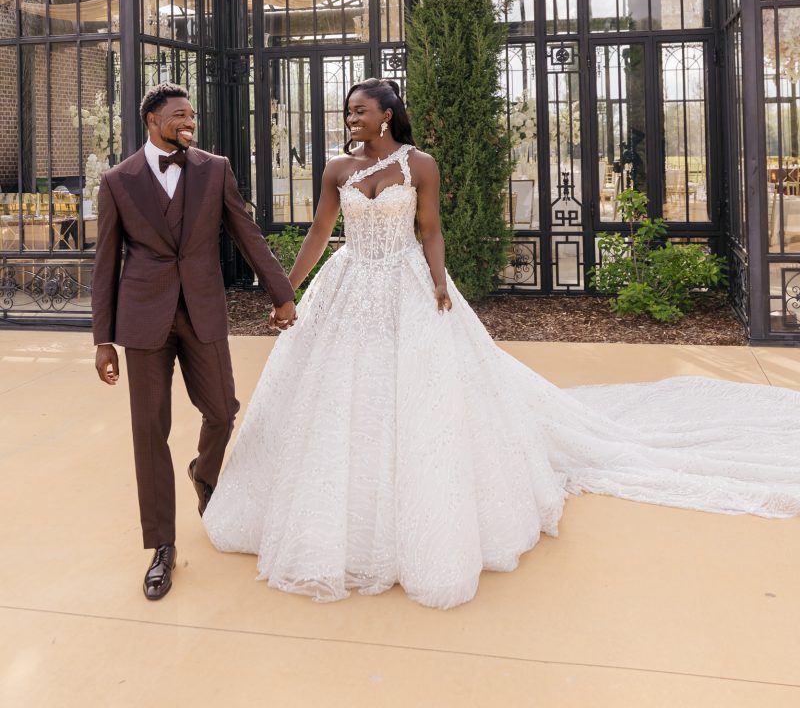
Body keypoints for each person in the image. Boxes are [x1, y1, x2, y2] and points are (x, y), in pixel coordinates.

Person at [203, 78, 800, 610]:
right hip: (350, 284)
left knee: (422, 395)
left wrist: (439, 284)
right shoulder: (337, 169)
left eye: (359, 110)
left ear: (386, 114)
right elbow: (321, 231)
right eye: (347, 112)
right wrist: (288, 290)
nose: (350, 118)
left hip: (409, 284)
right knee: (337, 394)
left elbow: (430, 230)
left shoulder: (421, 165)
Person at [92, 82, 296, 601]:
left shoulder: (214, 169)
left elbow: (246, 232)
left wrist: (282, 293)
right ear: (152, 120)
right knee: (149, 430)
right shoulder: (118, 181)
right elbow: (105, 264)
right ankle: (161, 547)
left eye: (192, 116)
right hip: (142, 320)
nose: (190, 123)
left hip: (202, 311)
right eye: (179, 116)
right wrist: (103, 339)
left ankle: (203, 474)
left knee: (222, 409)